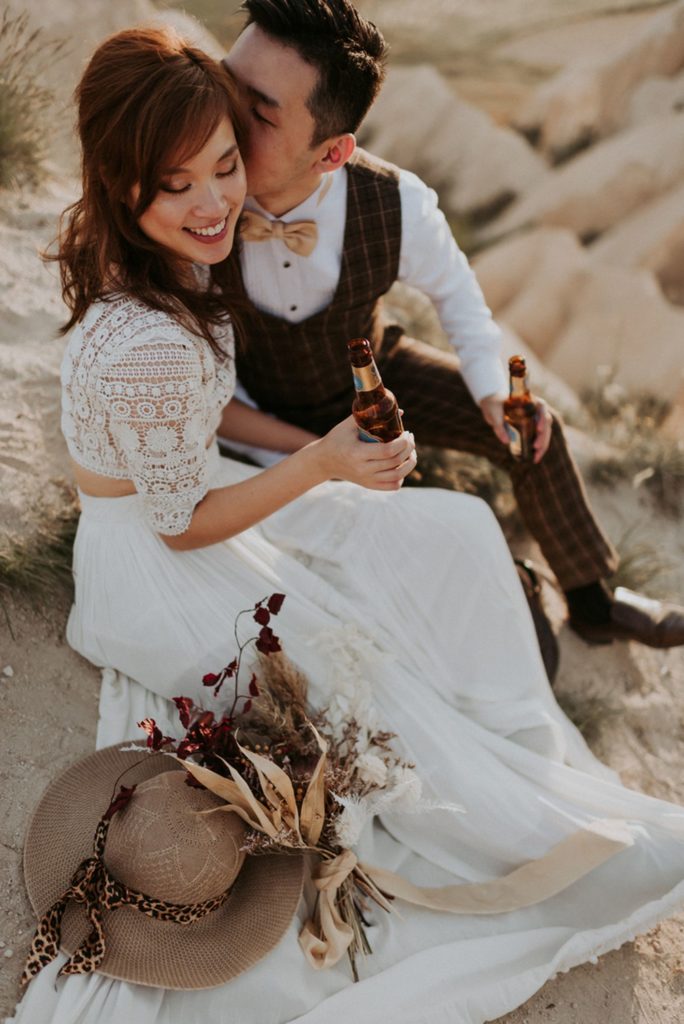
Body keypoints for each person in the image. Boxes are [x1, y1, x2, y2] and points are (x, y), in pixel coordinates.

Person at [11, 25, 684, 1024]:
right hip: (159, 557)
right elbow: (181, 523)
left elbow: (223, 408)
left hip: (220, 477)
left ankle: (574, 598)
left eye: (228, 163)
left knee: (448, 529)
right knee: (376, 698)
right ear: (123, 187)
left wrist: (319, 442)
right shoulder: (150, 331)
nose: (213, 201)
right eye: (176, 182)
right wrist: (321, 461)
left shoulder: (191, 259)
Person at [221, 0, 684, 650]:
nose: (224, 118)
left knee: (531, 424)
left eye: (259, 112)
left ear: (332, 152)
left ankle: (591, 600)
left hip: (369, 383)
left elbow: (460, 301)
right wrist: (314, 453)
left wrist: (495, 397)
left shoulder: (393, 202)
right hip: (245, 410)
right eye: (223, 85)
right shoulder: (193, 195)